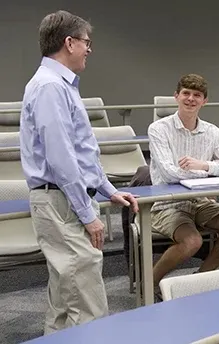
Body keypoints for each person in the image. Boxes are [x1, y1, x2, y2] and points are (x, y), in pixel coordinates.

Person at [19, 10, 139, 334]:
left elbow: (81, 150)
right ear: (68, 43)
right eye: (86, 42)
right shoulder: (50, 87)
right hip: (62, 203)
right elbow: (60, 159)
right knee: (88, 308)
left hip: (63, 199)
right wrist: (88, 214)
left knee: (63, 302)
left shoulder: (60, 85)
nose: (89, 49)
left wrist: (107, 189)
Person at [147, 73, 219, 294]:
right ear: (176, 96)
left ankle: (202, 278)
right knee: (192, 241)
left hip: (201, 201)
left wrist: (203, 165)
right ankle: (150, 283)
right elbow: (168, 174)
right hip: (168, 203)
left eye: (197, 95)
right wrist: (208, 174)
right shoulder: (159, 129)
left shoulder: (212, 132)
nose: (191, 99)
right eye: (186, 93)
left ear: (205, 101)